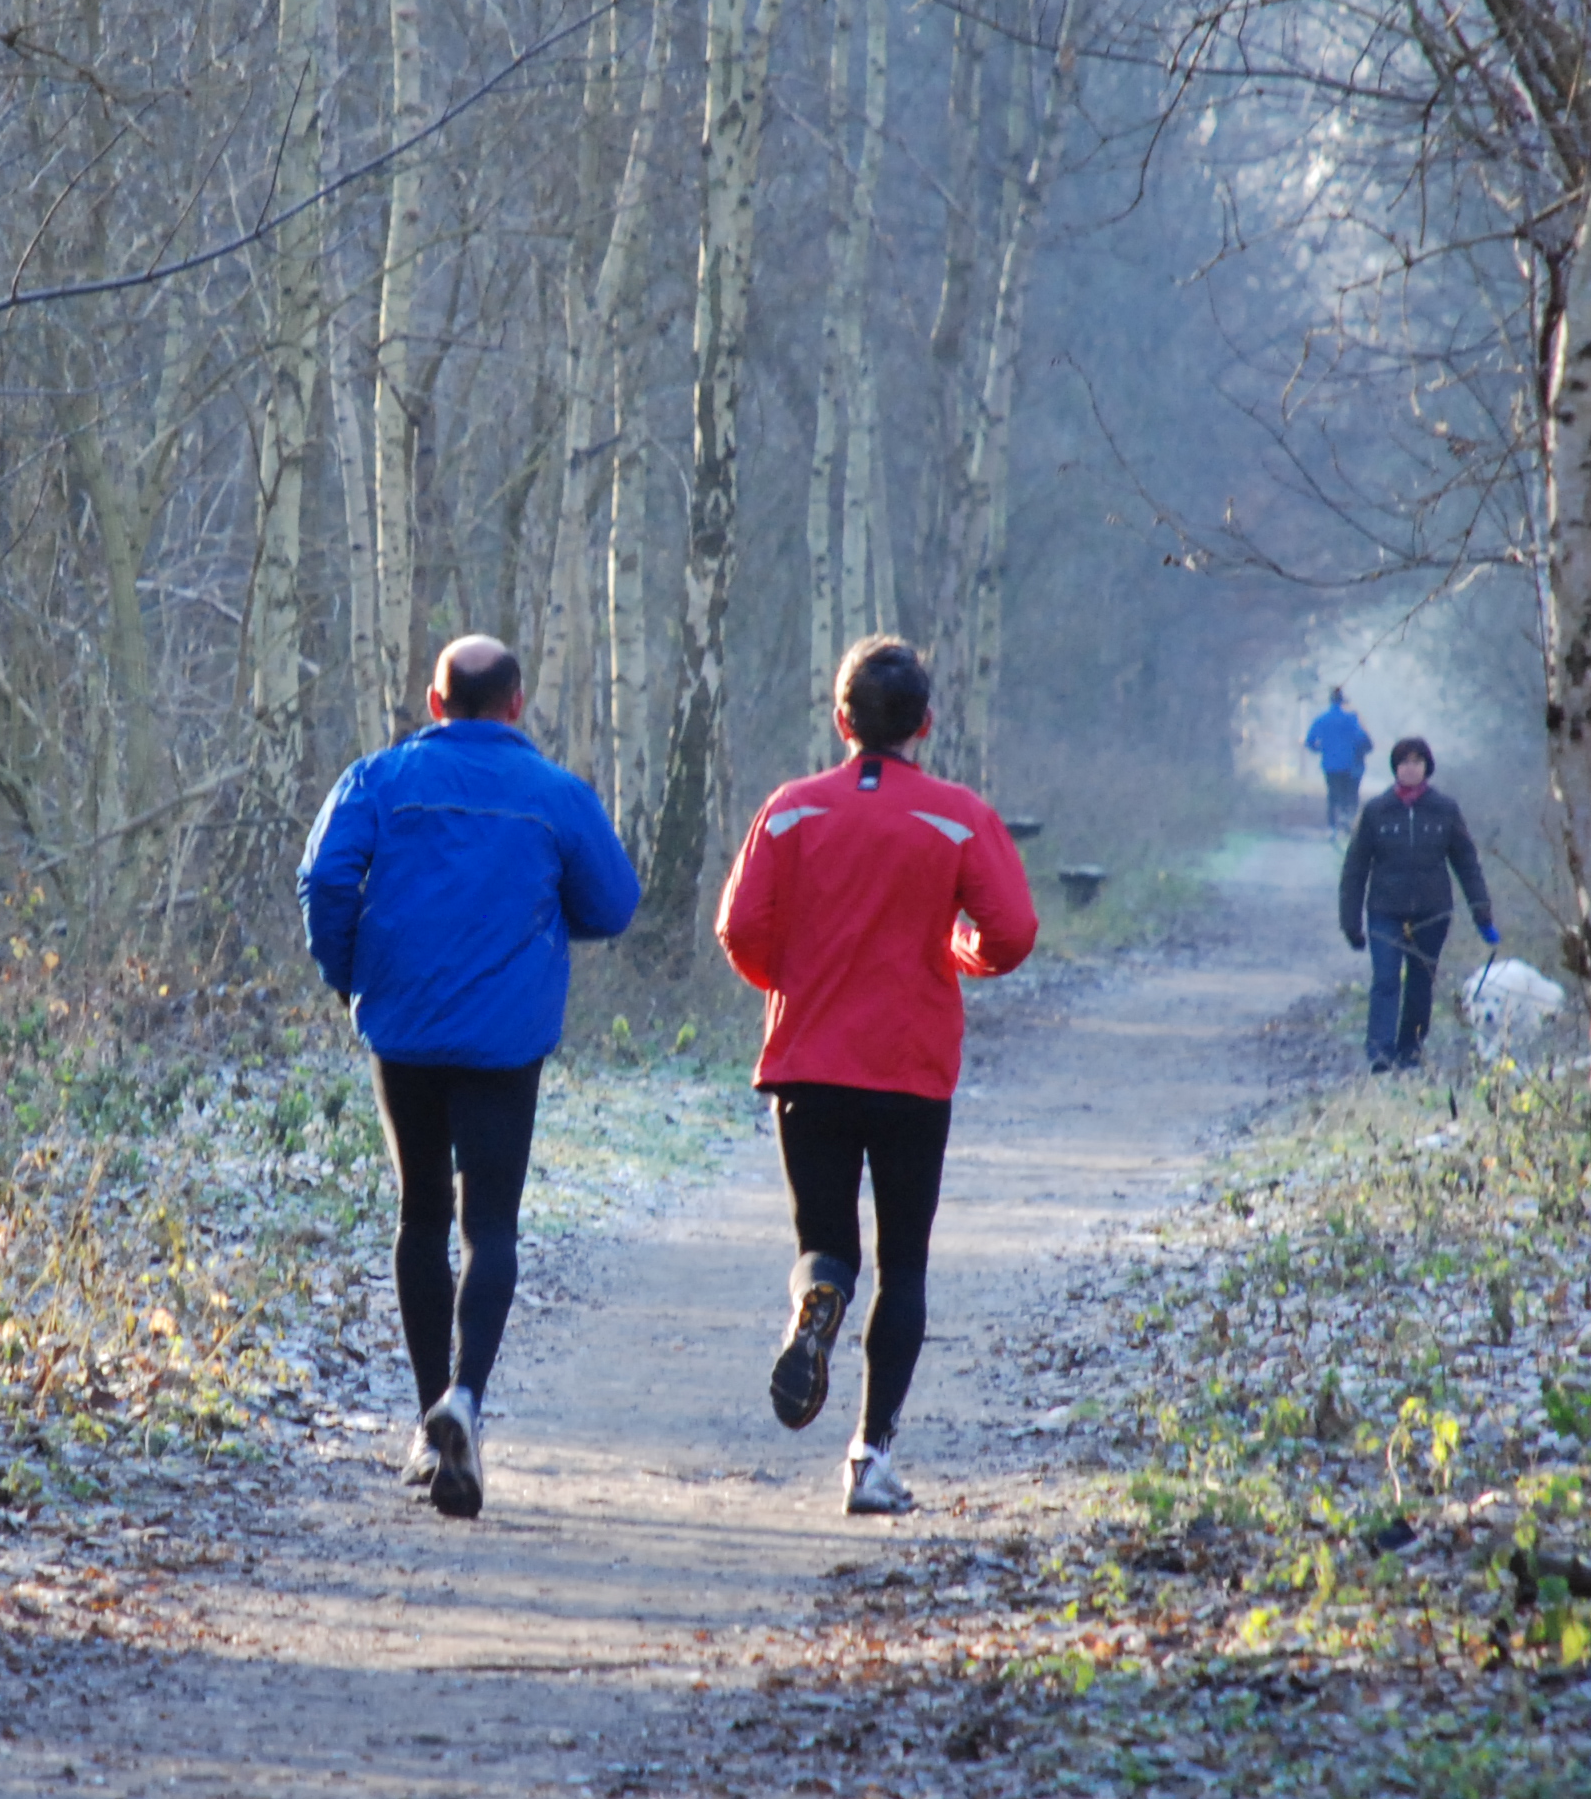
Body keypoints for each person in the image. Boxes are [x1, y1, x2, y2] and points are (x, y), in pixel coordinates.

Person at [300, 634, 640, 1520]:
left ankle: (427, 1422)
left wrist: (351, 975)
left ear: (434, 701)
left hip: (403, 1031)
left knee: (420, 1214)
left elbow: (325, 878)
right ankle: (467, 1400)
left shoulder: (376, 780)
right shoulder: (556, 796)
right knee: (490, 1223)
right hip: (504, 1041)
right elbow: (612, 903)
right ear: (517, 704)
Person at [714, 637, 1038, 1517]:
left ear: (841, 717)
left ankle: (816, 1299)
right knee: (904, 1264)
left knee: (826, 1243)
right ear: (925, 725)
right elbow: (1010, 931)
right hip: (909, 1068)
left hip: (807, 1061)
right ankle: (870, 1457)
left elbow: (740, 928)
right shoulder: (959, 816)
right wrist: (957, 951)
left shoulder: (788, 813)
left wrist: (794, 977)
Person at [1338, 734, 1496, 1073]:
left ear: (1427, 767)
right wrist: (1349, 920)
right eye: (1404, 762)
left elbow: (1466, 861)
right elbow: (1355, 868)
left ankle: (1411, 1050)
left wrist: (1481, 909)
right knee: (1385, 979)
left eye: (1417, 761)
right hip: (1385, 910)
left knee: (1421, 983)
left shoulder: (1445, 810)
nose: (1410, 768)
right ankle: (1380, 1052)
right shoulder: (1377, 811)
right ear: (1395, 768)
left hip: (1432, 912)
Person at [1305, 686, 1372, 836]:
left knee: (1332, 794)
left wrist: (1321, 749)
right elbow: (1360, 738)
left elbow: (1309, 741)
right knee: (1349, 793)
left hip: (1329, 764)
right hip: (1349, 764)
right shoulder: (1351, 719)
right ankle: (1346, 822)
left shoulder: (1321, 719)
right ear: (1343, 700)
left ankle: (1332, 827)